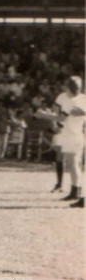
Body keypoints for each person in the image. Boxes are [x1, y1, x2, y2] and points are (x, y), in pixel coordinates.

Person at [37, 76, 86, 207]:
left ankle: (76, 191)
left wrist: (43, 115)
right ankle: (75, 191)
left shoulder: (71, 101)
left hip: (70, 135)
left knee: (73, 164)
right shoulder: (83, 99)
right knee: (75, 164)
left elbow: (60, 118)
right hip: (78, 134)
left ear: (68, 88)